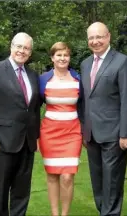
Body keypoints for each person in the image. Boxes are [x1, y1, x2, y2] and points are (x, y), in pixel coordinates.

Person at [80, 22, 127, 216]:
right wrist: (83, 131)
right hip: (91, 134)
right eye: (91, 38)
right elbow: (85, 100)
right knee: (97, 181)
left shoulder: (123, 61)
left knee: (112, 181)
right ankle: (103, 212)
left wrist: (125, 133)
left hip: (114, 134)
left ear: (109, 37)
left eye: (99, 37)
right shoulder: (85, 64)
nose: (95, 41)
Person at [0, 32, 40, 216]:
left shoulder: (32, 75)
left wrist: (35, 136)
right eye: (19, 46)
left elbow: (34, 108)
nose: (22, 51)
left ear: (30, 52)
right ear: (11, 47)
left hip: (27, 142)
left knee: (22, 190)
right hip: (2, 141)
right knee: (0, 189)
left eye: (26, 48)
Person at [39, 42, 83, 216]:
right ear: (52, 58)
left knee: (67, 176)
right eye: (59, 55)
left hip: (72, 132)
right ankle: (55, 214)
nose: (62, 58)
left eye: (65, 55)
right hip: (49, 133)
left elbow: (85, 106)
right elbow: (35, 105)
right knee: (52, 175)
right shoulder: (43, 80)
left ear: (69, 57)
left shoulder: (78, 78)